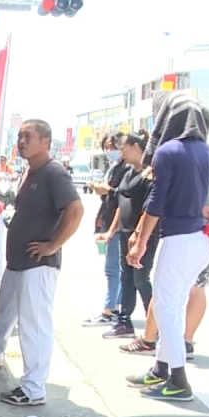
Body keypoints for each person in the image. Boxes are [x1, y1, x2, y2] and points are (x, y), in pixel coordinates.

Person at [0, 120, 84, 407]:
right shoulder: (31, 172)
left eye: (28, 136)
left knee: (34, 324)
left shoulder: (54, 173)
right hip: (19, 261)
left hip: (37, 264)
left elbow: (76, 209)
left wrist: (52, 245)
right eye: (20, 136)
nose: (21, 141)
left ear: (46, 141)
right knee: (6, 310)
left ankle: (33, 388)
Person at [119, 108, 209, 355]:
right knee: (195, 288)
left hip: (178, 229)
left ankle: (154, 343)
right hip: (205, 234)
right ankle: (182, 342)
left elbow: (157, 198)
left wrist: (141, 234)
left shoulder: (177, 153)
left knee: (165, 292)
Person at [124, 92, 209, 401]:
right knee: (171, 305)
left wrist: (140, 238)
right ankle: (161, 369)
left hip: (177, 238)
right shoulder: (206, 151)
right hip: (199, 240)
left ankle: (178, 379)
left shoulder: (168, 151)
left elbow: (156, 201)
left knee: (165, 307)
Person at [106, 131, 155, 340]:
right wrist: (111, 230)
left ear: (137, 147)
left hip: (143, 236)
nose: (121, 152)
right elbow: (121, 202)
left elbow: (150, 209)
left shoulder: (150, 173)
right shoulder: (127, 171)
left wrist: (139, 235)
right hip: (125, 234)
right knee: (126, 277)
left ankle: (154, 325)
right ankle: (124, 322)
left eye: (124, 148)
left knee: (140, 279)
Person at [83, 134, 131, 327]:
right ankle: (114, 307)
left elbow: (123, 198)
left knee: (113, 269)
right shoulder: (116, 167)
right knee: (115, 269)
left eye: (112, 147)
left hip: (117, 225)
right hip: (111, 221)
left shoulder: (127, 168)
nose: (109, 151)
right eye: (106, 147)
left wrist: (108, 190)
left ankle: (109, 310)